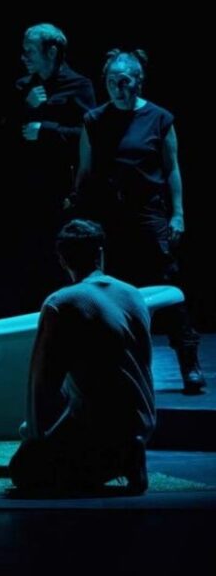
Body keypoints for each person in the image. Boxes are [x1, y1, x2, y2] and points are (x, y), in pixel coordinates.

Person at [74, 49, 205, 394]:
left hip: (148, 213)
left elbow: (172, 168)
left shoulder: (159, 118)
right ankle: (115, 369)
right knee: (110, 290)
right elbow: (85, 171)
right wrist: (79, 210)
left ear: (138, 81)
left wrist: (178, 213)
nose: (117, 88)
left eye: (124, 81)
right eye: (111, 82)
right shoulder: (94, 120)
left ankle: (189, 362)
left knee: (166, 285)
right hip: (108, 216)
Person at [9, 219, 152, 494]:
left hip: (98, 429)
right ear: (100, 253)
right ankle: (126, 451)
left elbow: (43, 382)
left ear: (62, 259)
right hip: (142, 423)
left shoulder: (62, 303)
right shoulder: (134, 295)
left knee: (23, 469)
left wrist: (35, 436)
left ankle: (118, 457)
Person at [0, 23, 96, 311]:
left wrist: (46, 129)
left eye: (30, 51)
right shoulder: (23, 87)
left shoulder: (79, 85)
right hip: (23, 189)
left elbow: (89, 135)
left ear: (51, 52)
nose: (24, 57)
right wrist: (26, 106)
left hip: (60, 189)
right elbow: (1, 133)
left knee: (59, 257)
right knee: (24, 259)